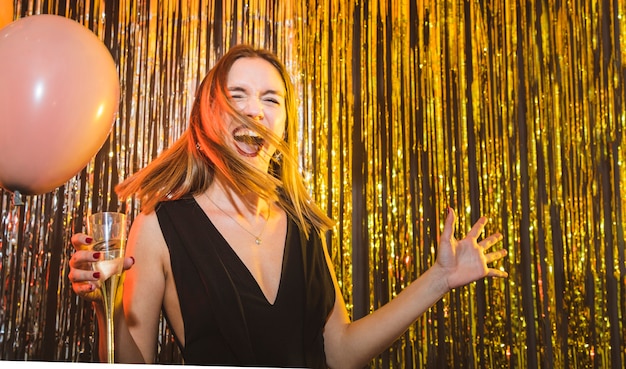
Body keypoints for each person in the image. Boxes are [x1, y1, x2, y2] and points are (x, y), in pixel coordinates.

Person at [69, 44, 508, 368]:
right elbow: (132, 365)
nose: (254, 111)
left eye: (270, 99)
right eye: (236, 95)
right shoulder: (160, 226)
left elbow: (340, 352)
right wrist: (103, 305)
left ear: (285, 121)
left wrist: (438, 280)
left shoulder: (302, 225)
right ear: (208, 114)